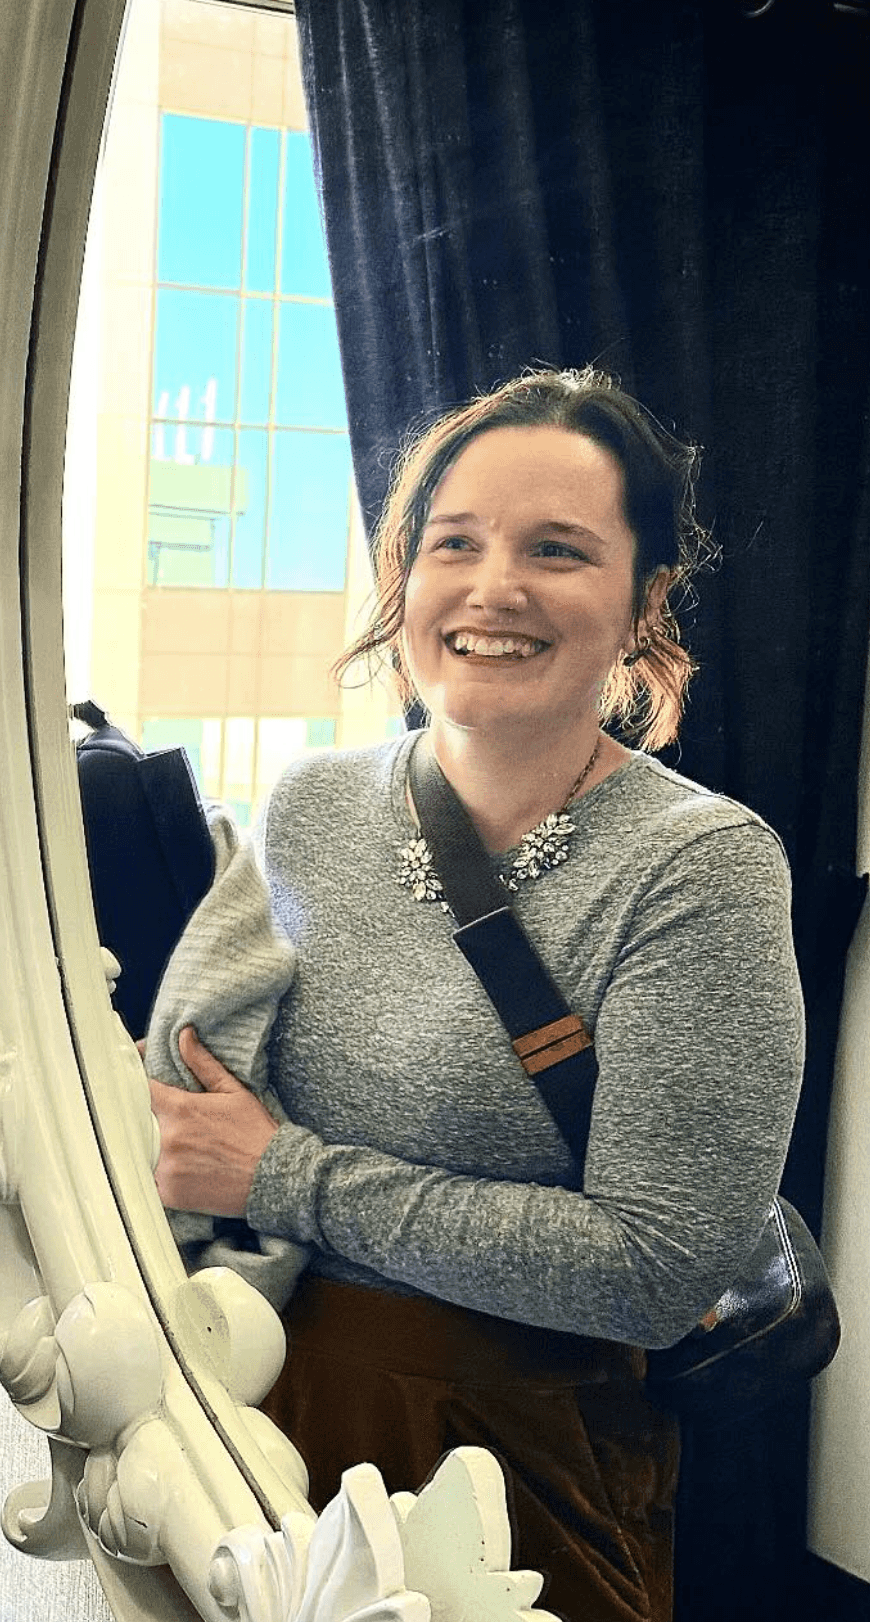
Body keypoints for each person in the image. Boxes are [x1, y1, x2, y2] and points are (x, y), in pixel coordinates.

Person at [146, 369, 803, 1622]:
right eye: (455, 544)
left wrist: (287, 1175)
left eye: (556, 550)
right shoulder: (309, 807)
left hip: (515, 1475)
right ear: (406, 576)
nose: (493, 587)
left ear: (640, 602)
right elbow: (186, 1110)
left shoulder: (698, 869)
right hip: (260, 1426)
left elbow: (655, 1268)